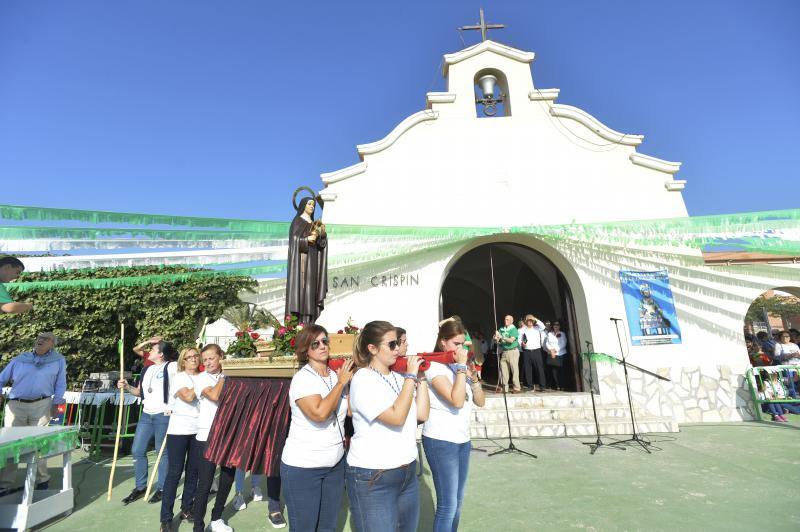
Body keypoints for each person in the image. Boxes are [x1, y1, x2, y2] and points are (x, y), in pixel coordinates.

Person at [346, 321, 430, 532]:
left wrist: (422, 380)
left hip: (406, 471)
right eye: (392, 344)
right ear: (372, 349)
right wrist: (411, 377)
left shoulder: (397, 377)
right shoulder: (363, 379)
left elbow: (421, 414)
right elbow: (396, 417)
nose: (398, 349)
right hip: (374, 475)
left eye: (398, 343)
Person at [280, 324, 353, 531]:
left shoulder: (335, 374)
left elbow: (349, 412)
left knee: (327, 527)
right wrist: (341, 384)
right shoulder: (302, 379)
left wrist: (350, 384)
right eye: (315, 343)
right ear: (305, 349)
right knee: (305, 527)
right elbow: (320, 413)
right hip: (303, 467)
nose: (322, 346)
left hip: (335, 464)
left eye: (324, 341)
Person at [423, 317, 485, 532]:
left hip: (462, 440)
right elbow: (456, 400)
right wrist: (460, 368)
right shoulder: (434, 367)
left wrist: (474, 378)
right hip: (441, 440)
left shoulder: (459, 367)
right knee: (447, 506)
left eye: (463, 344)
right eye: (455, 344)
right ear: (443, 342)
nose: (461, 348)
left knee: (457, 503)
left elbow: (480, 401)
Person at [0, 332, 66, 493]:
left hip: (42, 404)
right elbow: (1, 378)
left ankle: (42, 480)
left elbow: (60, 384)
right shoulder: (20, 359)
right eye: (39, 338)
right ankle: (5, 484)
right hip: (16, 405)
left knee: (38, 443)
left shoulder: (58, 361)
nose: (40, 340)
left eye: (45, 339)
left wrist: (56, 403)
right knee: (11, 444)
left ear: (53, 344)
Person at [118, 340, 179, 504]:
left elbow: (185, 369)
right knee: (137, 450)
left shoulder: (172, 367)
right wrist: (127, 387)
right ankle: (140, 487)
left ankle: (162, 488)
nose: (149, 351)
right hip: (146, 414)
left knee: (162, 452)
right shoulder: (147, 369)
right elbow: (139, 393)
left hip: (164, 414)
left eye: (153, 348)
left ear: (161, 354)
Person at [191, 344, 235, 532]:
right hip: (206, 435)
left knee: (227, 479)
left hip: (229, 435)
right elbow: (216, 395)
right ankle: (198, 526)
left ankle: (216, 519)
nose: (208, 362)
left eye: (212, 358)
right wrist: (226, 376)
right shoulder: (200, 379)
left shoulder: (232, 377)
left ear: (221, 357)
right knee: (205, 483)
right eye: (205, 359)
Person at [160, 347, 202, 531]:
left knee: (193, 472)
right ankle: (166, 519)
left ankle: (187, 508)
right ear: (183, 361)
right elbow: (188, 396)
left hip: (197, 430)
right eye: (189, 357)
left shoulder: (201, 377)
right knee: (174, 474)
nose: (193, 359)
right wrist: (205, 384)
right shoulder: (179, 378)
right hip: (178, 431)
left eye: (195, 356)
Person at [285, 196, 328, 324]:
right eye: (309, 204)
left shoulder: (313, 223)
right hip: (302, 261)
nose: (312, 207)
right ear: (303, 205)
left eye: (313, 205)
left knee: (311, 288)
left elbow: (321, 245)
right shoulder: (298, 221)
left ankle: (310, 320)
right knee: (302, 288)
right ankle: (299, 321)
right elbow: (294, 242)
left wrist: (322, 236)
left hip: (313, 259)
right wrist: (306, 240)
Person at [518, 314, 547, 391]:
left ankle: (542, 386)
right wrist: (521, 343)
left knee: (539, 369)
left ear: (533, 321)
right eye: (528, 321)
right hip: (527, 351)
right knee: (528, 369)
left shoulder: (537, 328)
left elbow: (543, 326)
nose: (530, 322)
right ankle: (530, 386)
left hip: (536, 351)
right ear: (526, 322)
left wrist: (535, 318)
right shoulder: (522, 330)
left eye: (531, 321)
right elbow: (519, 339)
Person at [494, 315, 521, 393]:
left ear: (512, 321)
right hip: (504, 351)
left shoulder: (514, 329)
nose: (506, 320)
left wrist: (501, 337)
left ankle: (516, 388)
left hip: (512, 351)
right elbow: (498, 340)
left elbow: (511, 340)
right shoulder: (501, 329)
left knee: (514, 370)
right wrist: (496, 338)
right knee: (504, 370)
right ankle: (504, 387)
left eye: (508, 319)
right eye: (505, 319)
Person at [544, 322, 569, 391]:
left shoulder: (562, 333)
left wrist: (555, 350)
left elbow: (563, 344)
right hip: (551, 354)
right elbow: (547, 343)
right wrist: (551, 350)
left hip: (560, 354)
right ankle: (556, 385)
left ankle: (562, 385)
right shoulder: (549, 334)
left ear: (559, 326)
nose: (556, 326)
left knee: (561, 371)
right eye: (555, 325)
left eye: (557, 325)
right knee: (553, 371)